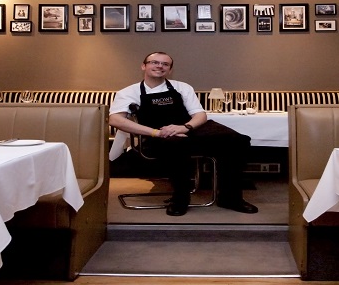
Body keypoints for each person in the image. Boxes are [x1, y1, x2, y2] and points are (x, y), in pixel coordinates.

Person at [109, 52, 258, 216]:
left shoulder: (182, 87)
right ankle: (180, 198)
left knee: (237, 140)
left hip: (188, 128)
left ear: (170, 70)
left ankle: (230, 198)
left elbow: (200, 115)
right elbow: (115, 120)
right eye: (154, 62)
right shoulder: (128, 92)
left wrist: (184, 127)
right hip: (157, 137)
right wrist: (157, 133)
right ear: (144, 66)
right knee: (176, 144)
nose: (160, 66)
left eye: (165, 64)